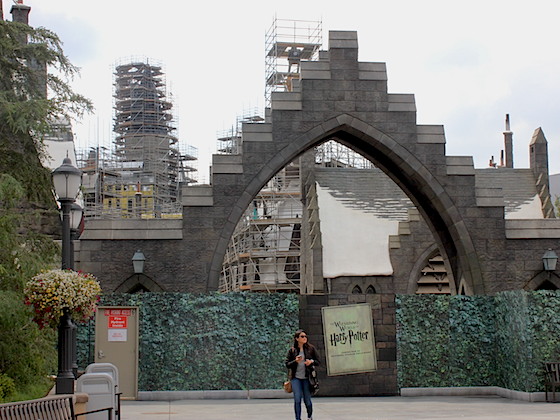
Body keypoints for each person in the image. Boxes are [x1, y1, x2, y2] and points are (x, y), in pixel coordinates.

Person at [285, 329, 320, 420]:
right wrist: (295, 361)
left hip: (307, 378)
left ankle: (309, 416)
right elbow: (287, 364)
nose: (305, 338)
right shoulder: (292, 350)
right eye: (302, 336)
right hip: (296, 378)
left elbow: (318, 361)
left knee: (307, 400)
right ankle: (298, 418)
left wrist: (311, 362)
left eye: (305, 336)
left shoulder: (310, 349)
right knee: (297, 399)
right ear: (297, 338)